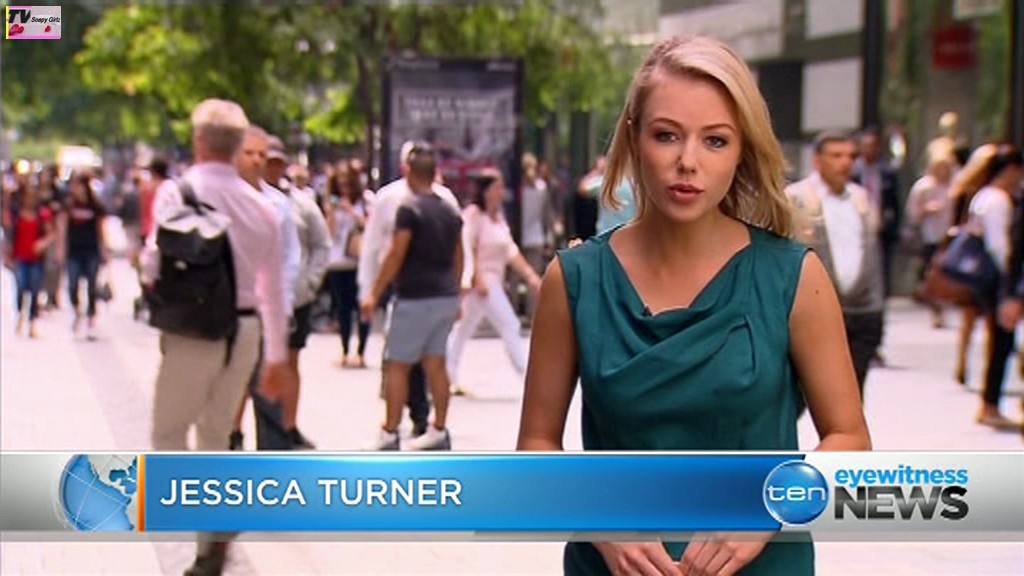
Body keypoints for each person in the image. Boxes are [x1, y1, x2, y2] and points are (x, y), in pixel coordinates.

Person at [516, 36, 870, 576]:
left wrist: (770, 507)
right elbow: (535, 447)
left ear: (742, 150)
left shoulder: (794, 277)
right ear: (633, 138)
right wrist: (600, 520)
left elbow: (850, 440)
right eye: (666, 135)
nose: (688, 162)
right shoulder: (574, 280)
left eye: (715, 141)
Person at [140, 99, 295, 576]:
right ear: (236, 145)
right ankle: (212, 541)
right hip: (245, 331)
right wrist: (277, 356)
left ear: (200, 141)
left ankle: (211, 517)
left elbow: (152, 262)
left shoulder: (177, 193)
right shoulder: (262, 207)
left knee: (168, 432)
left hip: (194, 328)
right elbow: (274, 290)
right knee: (216, 432)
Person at [358, 141, 465, 440]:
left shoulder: (408, 208)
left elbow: (395, 254)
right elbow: (459, 254)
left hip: (414, 297)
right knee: (436, 364)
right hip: (444, 296)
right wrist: (456, 290)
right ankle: (438, 429)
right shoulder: (449, 208)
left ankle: (390, 431)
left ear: (407, 171)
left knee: (397, 365)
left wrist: (374, 292)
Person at [788, 131, 887, 395]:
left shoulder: (860, 197)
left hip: (861, 309)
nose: (845, 163)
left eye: (851, 157)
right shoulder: (796, 198)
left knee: (853, 391)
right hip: (813, 309)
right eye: (836, 156)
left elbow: (871, 250)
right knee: (805, 390)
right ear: (818, 160)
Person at [448, 171, 542, 396]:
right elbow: (467, 246)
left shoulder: (498, 218)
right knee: (509, 324)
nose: (502, 193)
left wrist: (530, 276)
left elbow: (511, 251)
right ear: (487, 191)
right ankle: (528, 376)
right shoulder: (473, 215)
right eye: (498, 188)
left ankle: (448, 375)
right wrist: (476, 276)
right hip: (480, 282)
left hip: (493, 281)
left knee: (462, 330)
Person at [963, 144, 1023, 430]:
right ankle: (990, 403)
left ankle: (990, 402)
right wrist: (1010, 284)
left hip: (988, 280)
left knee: (1000, 341)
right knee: (1002, 342)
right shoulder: (998, 200)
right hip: (998, 281)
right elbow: (1000, 246)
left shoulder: (982, 196)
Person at [325, 159, 373, 368]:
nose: (344, 186)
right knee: (342, 309)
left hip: (361, 262)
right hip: (338, 262)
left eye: (347, 181)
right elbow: (330, 234)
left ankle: (361, 352)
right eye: (340, 182)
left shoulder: (366, 200)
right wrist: (332, 212)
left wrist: (352, 211)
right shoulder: (332, 203)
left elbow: (371, 227)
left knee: (362, 307)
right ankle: (345, 351)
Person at [906, 152, 954, 328]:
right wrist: (926, 210)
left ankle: (942, 305)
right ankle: (936, 310)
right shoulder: (923, 187)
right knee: (932, 274)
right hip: (929, 236)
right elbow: (912, 213)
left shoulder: (952, 186)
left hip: (948, 236)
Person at [4, 181, 56, 337]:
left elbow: (51, 233)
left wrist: (42, 243)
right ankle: (20, 315)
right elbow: (8, 234)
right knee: (21, 288)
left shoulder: (42, 215)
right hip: (20, 258)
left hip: (36, 259)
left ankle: (32, 321)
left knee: (34, 290)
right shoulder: (16, 215)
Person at [65, 172, 108, 340]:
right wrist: (61, 248)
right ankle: (77, 310)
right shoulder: (69, 205)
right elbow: (62, 226)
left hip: (91, 250)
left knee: (91, 286)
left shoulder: (95, 206)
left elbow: (101, 228)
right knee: (72, 284)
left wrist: (105, 249)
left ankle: (91, 318)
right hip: (73, 251)